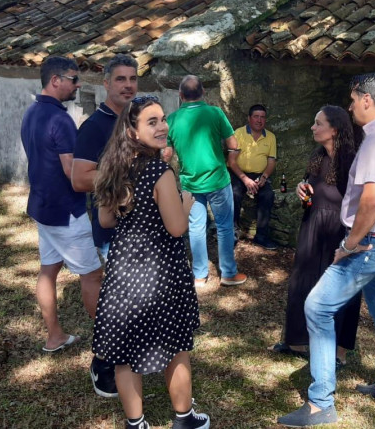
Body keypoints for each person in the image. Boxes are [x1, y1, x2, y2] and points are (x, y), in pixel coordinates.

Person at [277, 73, 375, 428]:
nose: (351, 105)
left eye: (353, 99)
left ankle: (321, 402)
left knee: (317, 307)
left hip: (372, 242)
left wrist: (350, 244)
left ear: (366, 99)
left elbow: (371, 200)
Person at [92, 96, 209, 429]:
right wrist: (186, 203)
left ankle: (135, 423)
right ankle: (184, 419)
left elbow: (105, 220)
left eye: (162, 119)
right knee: (176, 345)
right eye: (152, 122)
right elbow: (176, 228)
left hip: (123, 269)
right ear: (132, 131)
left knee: (124, 353)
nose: (162, 127)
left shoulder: (114, 167)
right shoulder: (159, 171)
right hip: (161, 271)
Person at [20, 57, 104, 368]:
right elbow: (75, 174)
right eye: (73, 78)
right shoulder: (61, 120)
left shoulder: (31, 112)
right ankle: (109, 343)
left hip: (42, 207)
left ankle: (54, 336)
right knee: (93, 275)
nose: (78, 84)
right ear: (55, 80)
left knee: (48, 271)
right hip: (66, 212)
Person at [268, 106, 361, 369]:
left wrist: (352, 239)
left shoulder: (353, 161)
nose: (312, 127)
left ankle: (339, 352)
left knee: (341, 290)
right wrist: (301, 189)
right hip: (312, 225)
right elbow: (311, 187)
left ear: (334, 129)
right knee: (303, 282)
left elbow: (361, 204)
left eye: (318, 123)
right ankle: (297, 340)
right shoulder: (318, 156)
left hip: (339, 231)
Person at [167, 75, 247, 287]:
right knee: (224, 226)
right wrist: (231, 159)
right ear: (203, 92)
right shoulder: (215, 113)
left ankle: (200, 276)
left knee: (195, 227)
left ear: (180, 95)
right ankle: (229, 273)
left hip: (190, 184)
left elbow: (166, 153)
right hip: (218, 180)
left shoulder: (172, 119)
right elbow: (233, 143)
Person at [72, 53, 139, 260]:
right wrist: (126, 176)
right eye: (120, 79)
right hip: (113, 229)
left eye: (133, 79)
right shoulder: (94, 127)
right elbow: (79, 179)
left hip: (141, 224)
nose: (128, 85)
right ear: (106, 84)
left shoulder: (137, 120)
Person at [229, 104, 278, 250]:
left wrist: (264, 177)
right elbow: (231, 161)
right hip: (238, 173)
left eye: (262, 117)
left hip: (259, 175)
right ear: (249, 118)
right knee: (234, 193)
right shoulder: (238, 133)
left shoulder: (270, 137)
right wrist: (245, 179)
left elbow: (271, 161)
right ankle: (232, 233)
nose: (259, 120)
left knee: (268, 195)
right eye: (256, 116)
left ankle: (261, 236)